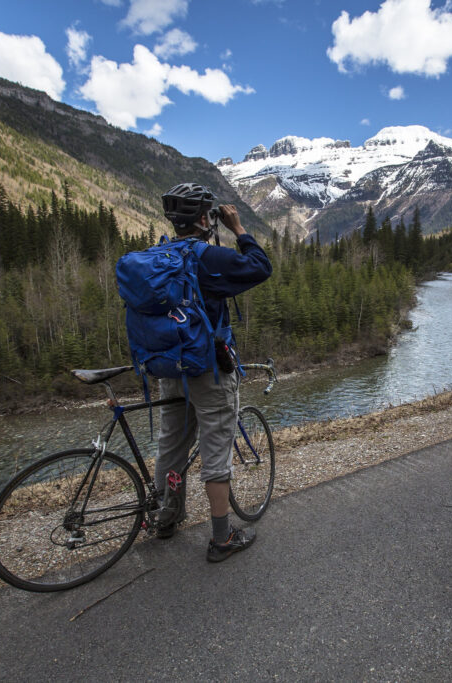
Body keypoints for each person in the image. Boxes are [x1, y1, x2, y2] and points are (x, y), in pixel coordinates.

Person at [154, 183, 272, 562]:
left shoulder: (159, 255)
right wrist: (239, 229)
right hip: (208, 368)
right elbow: (260, 266)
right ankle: (221, 539)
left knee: (170, 445)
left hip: (170, 367)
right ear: (206, 218)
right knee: (216, 449)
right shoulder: (208, 257)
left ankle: (165, 519)